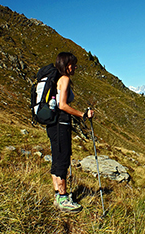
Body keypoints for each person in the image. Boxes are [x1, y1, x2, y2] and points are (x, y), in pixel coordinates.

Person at [48, 52, 95, 212]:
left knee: (57, 158)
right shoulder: (65, 79)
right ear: (65, 64)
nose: (75, 67)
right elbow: (62, 105)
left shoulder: (56, 79)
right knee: (62, 160)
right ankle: (63, 199)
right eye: (72, 64)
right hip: (61, 125)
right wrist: (82, 114)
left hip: (53, 125)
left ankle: (58, 194)